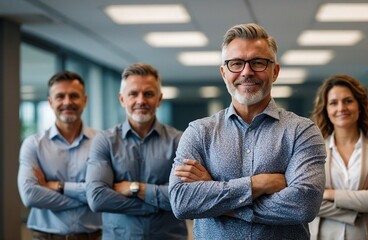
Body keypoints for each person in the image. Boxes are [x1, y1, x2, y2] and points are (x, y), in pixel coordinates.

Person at [168, 23, 326, 240]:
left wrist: (218, 198)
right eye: (236, 63)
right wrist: (259, 184)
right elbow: (181, 202)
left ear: (275, 71)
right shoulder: (199, 132)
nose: (247, 72)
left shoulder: (302, 131)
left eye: (258, 63)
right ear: (224, 73)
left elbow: (304, 205)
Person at [85, 63, 187, 240]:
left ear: (159, 99)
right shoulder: (105, 141)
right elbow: (97, 198)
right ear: (122, 99)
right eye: (133, 94)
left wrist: (135, 188)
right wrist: (157, 203)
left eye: (148, 94)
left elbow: (185, 197)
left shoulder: (179, 141)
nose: (141, 101)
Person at [308, 74, 368, 240]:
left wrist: (329, 194)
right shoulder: (313, 149)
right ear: (326, 109)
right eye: (333, 103)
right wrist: (362, 203)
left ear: (359, 105)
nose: (341, 108)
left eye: (348, 101)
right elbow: (308, 201)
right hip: (326, 235)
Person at [17, 71, 102, 239]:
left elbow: (103, 193)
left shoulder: (102, 142)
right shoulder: (33, 144)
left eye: (74, 96)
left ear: (84, 100)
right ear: (50, 102)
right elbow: (30, 196)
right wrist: (87, 198)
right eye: (60, 96)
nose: (67, 102)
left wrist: (56, 186)